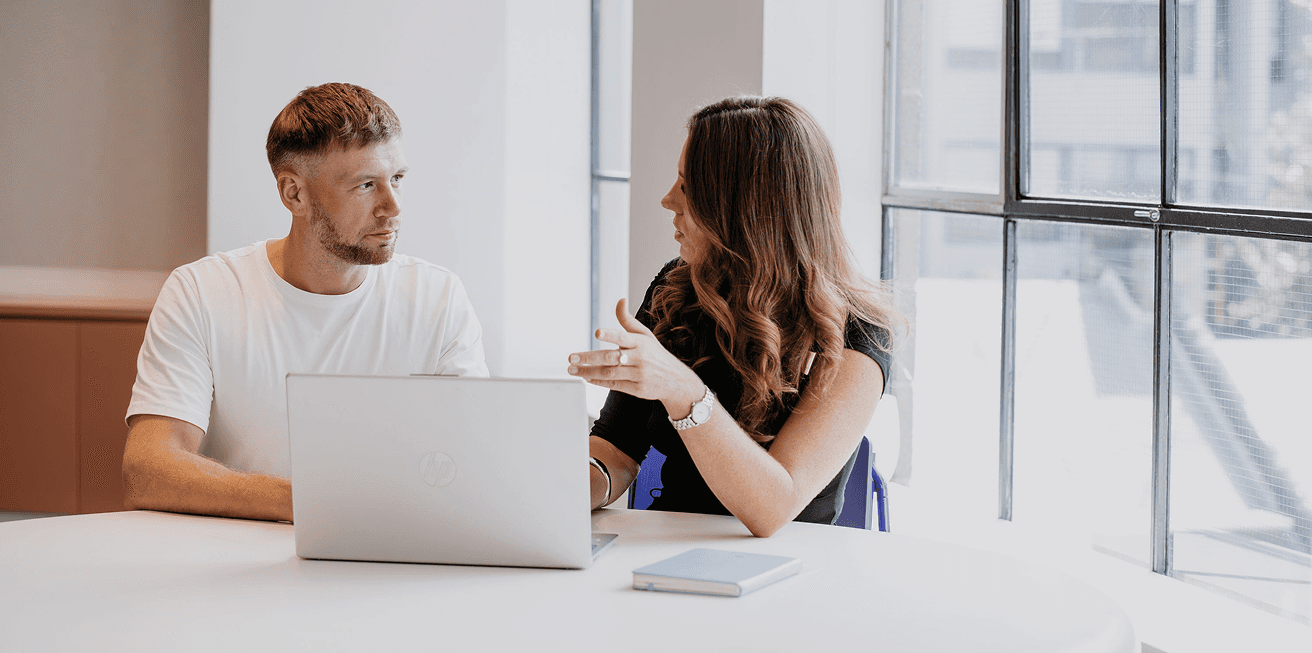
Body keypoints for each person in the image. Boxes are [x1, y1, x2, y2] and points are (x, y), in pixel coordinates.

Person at [122, 83, 487, 522]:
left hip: (390, 558)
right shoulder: (202, 292)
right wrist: (313, 503)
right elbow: (148, 468)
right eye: (366, 185)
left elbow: (471, 460)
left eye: (398, 179)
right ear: (294, 194)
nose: (392, 206)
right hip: (231, 566)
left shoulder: (438, 298)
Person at [571, 96, 894, 538]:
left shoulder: (858, 334)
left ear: (743, 209)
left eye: (687, 187)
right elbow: (617, 448)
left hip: (788, 574)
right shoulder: (676, 288)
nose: (667, 200)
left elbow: (773, 508)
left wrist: (684, 391)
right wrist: (564, 488)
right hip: (664, 553)